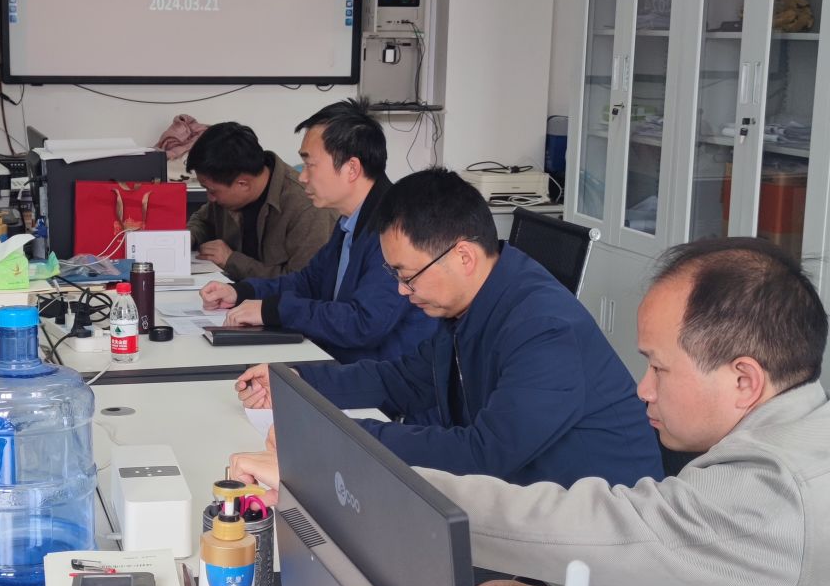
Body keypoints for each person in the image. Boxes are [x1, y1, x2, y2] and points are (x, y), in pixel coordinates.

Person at [231, 237, 830, 586]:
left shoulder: (777, 489)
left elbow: (598, 523)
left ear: (743, 380)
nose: (642, 390)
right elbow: (733, 585)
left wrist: (344, 474)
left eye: (658, 367)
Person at [235, 168, 660, 488]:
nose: (402, 291)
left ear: (463, 257)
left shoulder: (544, 330)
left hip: (593, 528)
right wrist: (296, 381)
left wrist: (331, 435)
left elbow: (483, 454)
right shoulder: (472, 303)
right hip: (527, 498)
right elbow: (405, 380)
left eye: (408, 276)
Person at [201, 100, 434, 365]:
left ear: (351, 168)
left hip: (377, 378)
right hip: (341, 364)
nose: (302, 177)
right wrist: (241, 291)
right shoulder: (350, 222)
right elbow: (309, 283)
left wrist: (274, 310)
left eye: (310, 164)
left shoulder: (395, 230)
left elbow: (363, 323)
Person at [186, 120, 332, 283]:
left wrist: (232, 261)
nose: (210, 198)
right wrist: (188, 237)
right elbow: (203, 220)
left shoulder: (307, 206)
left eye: (212, 191)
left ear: (243, 184)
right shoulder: (227, 196)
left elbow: (302, 283)